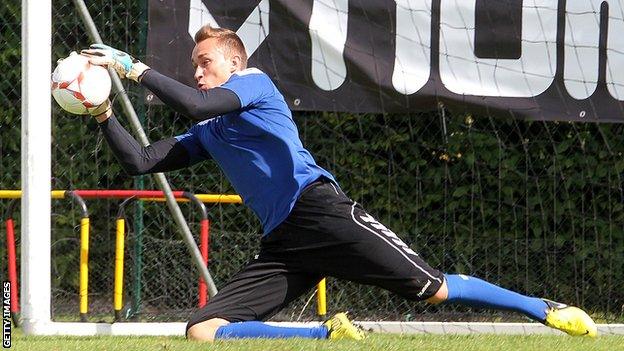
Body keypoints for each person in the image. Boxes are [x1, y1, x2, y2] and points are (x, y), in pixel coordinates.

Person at [81, 25, 597, 341]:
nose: (196, 71)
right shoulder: (209, 130)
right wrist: (104, 112)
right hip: (284, 243)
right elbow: (142, 162)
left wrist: (133, 68)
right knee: (201, 330)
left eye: (205, 62)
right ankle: (325, 332)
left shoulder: (254, 84)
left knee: (433, 290)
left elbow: (194, 103)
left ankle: (543, 309)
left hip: (320, 211)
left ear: (234, 62)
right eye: (193, 65)